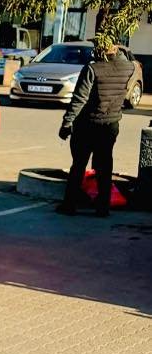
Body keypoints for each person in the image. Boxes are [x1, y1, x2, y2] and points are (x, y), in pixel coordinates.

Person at [56, 32, 135, 217]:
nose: (95, 50)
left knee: (78, 166)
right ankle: (102, 208)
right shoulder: (129, 67)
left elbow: (79, 99)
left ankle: (69, 205)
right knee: (104, 167)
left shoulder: (92, 69)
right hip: (111, 124)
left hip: (87, 125)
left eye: (98, 47)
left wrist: (66, 123)